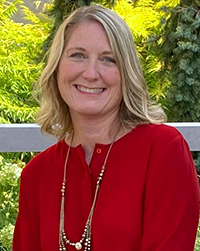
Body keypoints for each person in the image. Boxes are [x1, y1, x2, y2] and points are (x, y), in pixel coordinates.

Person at [13, 4, 199, 251]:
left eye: (108, 59)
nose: (91, 73)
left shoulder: (163, 150)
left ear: (127, 73)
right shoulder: (37, 175)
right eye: (77, 55)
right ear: (56, 67)